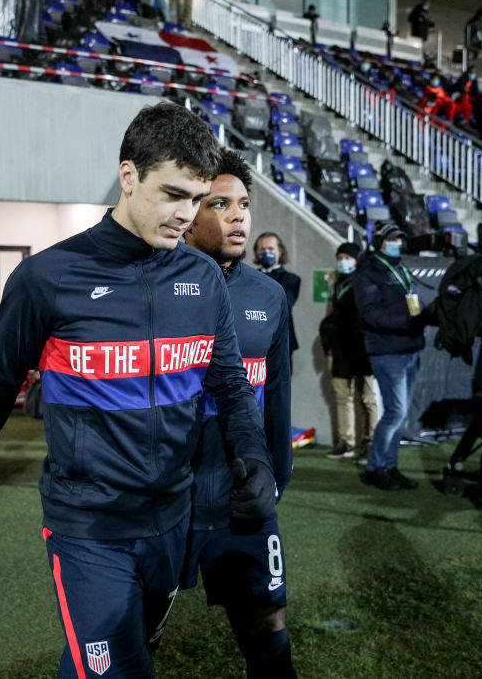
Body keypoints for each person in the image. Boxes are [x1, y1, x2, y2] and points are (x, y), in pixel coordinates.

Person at [0, 103, 277, 678]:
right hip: (89, 526)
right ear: (129, 177)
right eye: (173, 193)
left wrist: (253, 455)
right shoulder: (48, 278)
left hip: (171, 522)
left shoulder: (202, 279)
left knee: (108, 657)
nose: (186, 215)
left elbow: (229, 385)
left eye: (197, 198)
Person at [180, 150, 296, 678]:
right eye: (219, 203)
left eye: (244, 204)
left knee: (268, 630)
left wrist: (274, 476)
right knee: (135, 633)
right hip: (169, 494)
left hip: (244, 494)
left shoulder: (269, 295)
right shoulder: (155, 287)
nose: (238, 216)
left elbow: (277, 396)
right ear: (187, 214)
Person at [352, 223, 426, 491]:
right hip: (388, 351)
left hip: (409, 348)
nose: (398, 242)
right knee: (395, 412)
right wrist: (412, 320)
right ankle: (375, 468)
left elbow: (413, 300)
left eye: (400, 238)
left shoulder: (401, 268)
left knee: (401, 415)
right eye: (392, 238)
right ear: (380, 241)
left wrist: (425, 315)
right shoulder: (367, 272)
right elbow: (371, 314)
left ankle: (389, 466)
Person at [321, 242, 377, 462]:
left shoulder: (365, 280)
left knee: (368, 397)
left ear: (357, 259)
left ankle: (370, 443)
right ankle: (347, 442)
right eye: (340, 257)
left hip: (363, 348)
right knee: (343, 396)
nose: (343, 261)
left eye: (347, 257)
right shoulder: (339, 283)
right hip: (341, 348)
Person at [253, 232, 300, 367]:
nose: (266, 252)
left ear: (280, 252)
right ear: (256, 253)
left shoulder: (292, 279)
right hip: (255, 339)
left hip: (282, 341)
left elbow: (284, 303)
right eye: (262, 249)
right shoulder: (249, 277)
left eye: (271, 249)